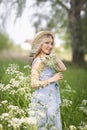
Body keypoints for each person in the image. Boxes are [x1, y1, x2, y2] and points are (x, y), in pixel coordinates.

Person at [29, 31, 67, 130]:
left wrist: (53, 55)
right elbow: (33, 84)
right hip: (44, 98)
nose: (50, 46)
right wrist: (52, 79)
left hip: (52, 96)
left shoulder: (47, 58)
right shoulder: (39, 61)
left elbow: (63, 68)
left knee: (52, 123)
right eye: (47, 43)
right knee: (45, 124)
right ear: (39, 44)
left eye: (51, 43)